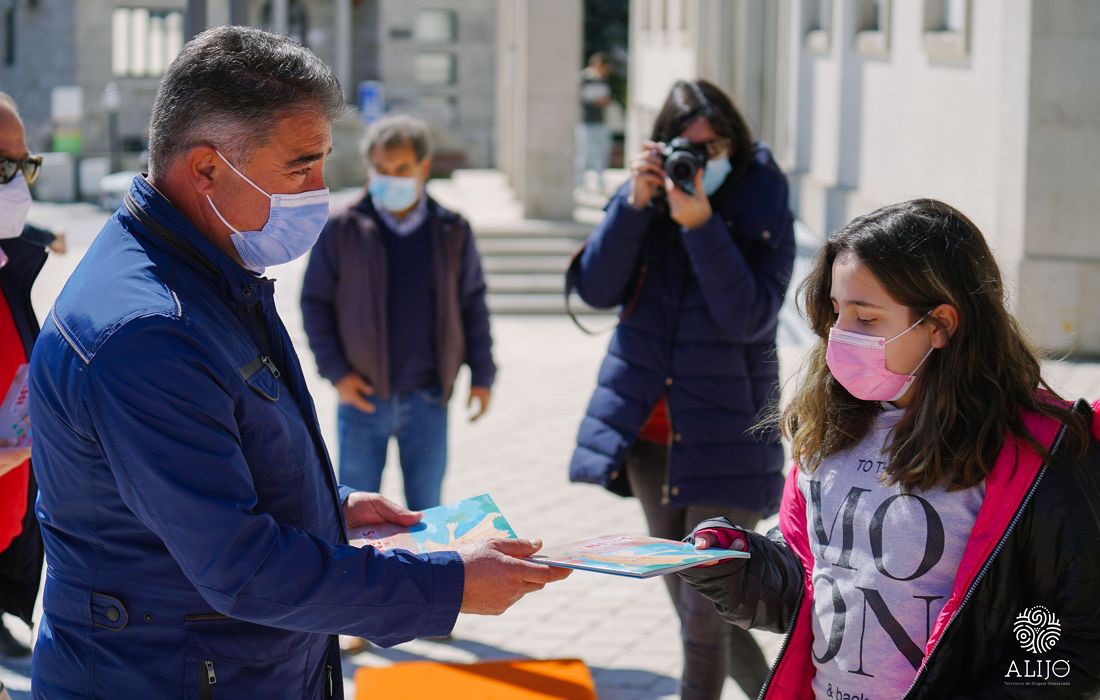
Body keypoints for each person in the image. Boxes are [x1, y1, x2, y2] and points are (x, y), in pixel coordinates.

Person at [29, 27, 567, 699]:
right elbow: (240, 567)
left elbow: (209, 473)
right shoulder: (148, 330)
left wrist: (327, 508)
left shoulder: (209, 270)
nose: (320, 191)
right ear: (206, 169)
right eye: (301, 168)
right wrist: (448, 586)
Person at [681, 199, 1100, 698]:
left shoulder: (1036, 455)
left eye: (866, 317)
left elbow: (1074, 644)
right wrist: (737, 564)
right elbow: (811, 586)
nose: (839, 336)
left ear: (940, 324)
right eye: (836, 312)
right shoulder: (830, 431)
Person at [567, 79, 796, 699]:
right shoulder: (647, 193)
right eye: (685, 148)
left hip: (727, 433)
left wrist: (701, 226)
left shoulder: (762, 193)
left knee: (703, 614)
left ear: (735, 145)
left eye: (714, 145)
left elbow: (750, 315)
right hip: (652, 436)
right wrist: (632, 206)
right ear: (663, 147)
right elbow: (594, 290)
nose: (699, 160)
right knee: (697, 601)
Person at [301, 115, 495, 512]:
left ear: (424, 167)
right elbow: (315, 303)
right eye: (382, 170)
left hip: (428, 398)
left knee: (427, 514)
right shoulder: (342, 228)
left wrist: (483, 374)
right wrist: (337, 373)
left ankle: (425, 576)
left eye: (401, 169)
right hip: (363, 399)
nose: (391, 178)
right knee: (353, 515)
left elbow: (472, 303)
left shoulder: (452, 230)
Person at [0, 92, 63, 663]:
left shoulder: (9, 263)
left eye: (23, 167)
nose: (17, 183)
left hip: (12, 507)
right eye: (2, 167)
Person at [575, 52, 613, 193]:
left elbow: (606, 99)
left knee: (601, 154)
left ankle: (599, 183)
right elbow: (586, 99)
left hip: (600, 122)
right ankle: (580, 184)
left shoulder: (603, 80)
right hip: (586, 122)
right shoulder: (584, 78)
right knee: (584, 154)